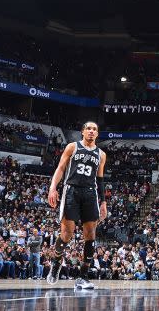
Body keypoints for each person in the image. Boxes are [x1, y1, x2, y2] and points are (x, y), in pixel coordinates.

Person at [46, 122, 108, 289]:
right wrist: (53, 188)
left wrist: (103, 202)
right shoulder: (72, 147)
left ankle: (82, 277)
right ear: (82, 132)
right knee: (67, 233)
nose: (91, 131)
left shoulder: (101, 154)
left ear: (97, 134)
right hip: (71, 190)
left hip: (90, 193)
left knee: (90, 235)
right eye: (88, 128)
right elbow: (60, 168)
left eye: (95, 129)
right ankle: (56, 262)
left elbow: (100, 180)